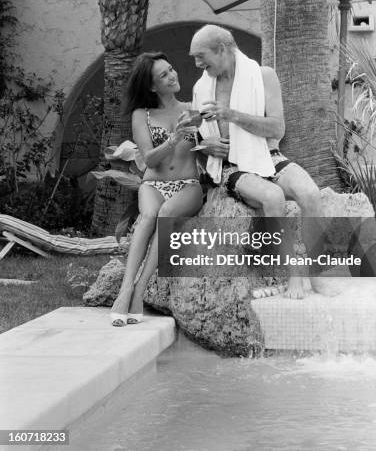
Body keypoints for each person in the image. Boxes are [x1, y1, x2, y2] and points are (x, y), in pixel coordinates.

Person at [190, 24, 325, 299]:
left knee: (311, 194)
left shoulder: (263, 76)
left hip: (268, 155)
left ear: (222, 49)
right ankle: (292, 277)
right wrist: (205, 146)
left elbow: (277, 129)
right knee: (272, 196)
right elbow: (197, 139)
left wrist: (233, 115)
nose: (197, 63)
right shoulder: (201, 88)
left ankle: (315, 272)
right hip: (231, 167)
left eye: (201, 55)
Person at [110, 52, 203, 326]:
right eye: (163, 75)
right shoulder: (143, 114)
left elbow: (205, 151)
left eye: (171, 69)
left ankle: (140, 289)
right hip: (153, 183)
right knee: (149, 215)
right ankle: (126, 289)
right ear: (152, 86)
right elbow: (149, 159)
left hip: (189, 185)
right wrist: (174, 139)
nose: (172, 75)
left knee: (167, 212)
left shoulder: (192, 109)